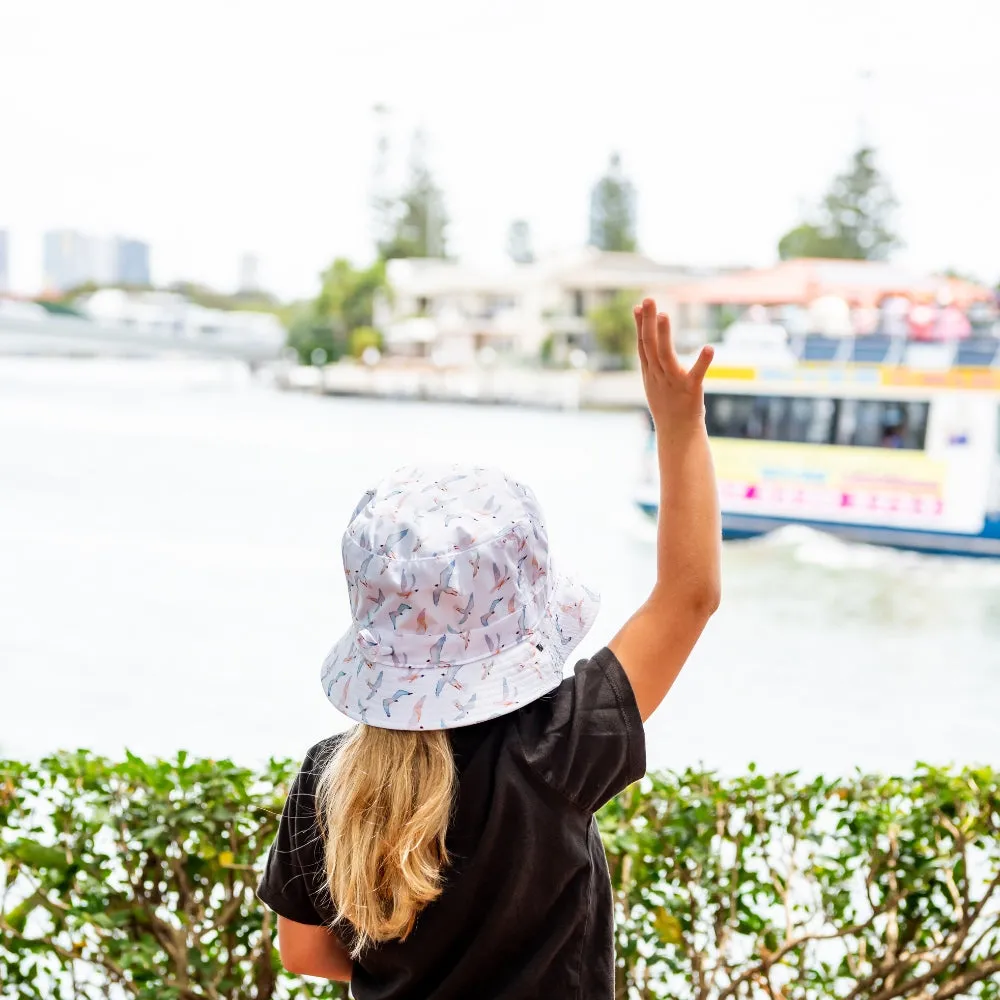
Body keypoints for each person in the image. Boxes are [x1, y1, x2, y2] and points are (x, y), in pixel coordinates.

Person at [256, 298, 722, 998]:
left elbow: (303, 951)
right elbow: (688, 595)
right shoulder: (556, 749)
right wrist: (680, 427)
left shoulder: (331, 777)